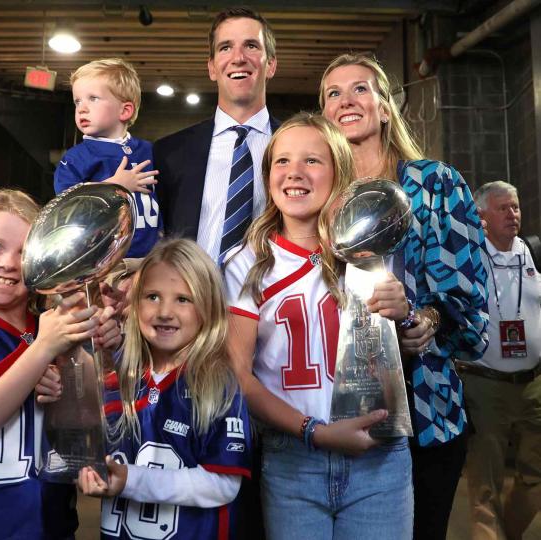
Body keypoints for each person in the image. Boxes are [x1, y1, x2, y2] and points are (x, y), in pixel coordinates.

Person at [319, 53, 489, 540]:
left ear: (386, 107)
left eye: (360, 89)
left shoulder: (435, 183)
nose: (347, 101)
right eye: (333, 93)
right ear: (323, 112)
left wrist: (424, 321)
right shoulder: (317, 191)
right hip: (331, 407)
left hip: (425, 404)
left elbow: (471, 296)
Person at [225, 112, 413, 539]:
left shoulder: (370, 247)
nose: (295, 173)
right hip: (294, 456)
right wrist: (316, 432)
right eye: (282, 161)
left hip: (377, 454)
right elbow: (238, 375)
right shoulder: (247, 264)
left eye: (312, 160)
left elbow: (396, 353)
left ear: (339, 171)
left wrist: (405, 314)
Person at [0, 189, 119, 539]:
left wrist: (98, 349)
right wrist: (41, 351)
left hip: (53, 523)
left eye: (25, 252)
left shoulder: (54, 325)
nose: (9, 262)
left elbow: (91, 424)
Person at [76, 239, 251, 540]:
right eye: (153, 296)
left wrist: (131, 480)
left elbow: (223, 485)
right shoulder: (117, 374)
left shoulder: (217, 385)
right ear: (133, 304)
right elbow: (82, 445)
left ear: (208, 307)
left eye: (183, 299)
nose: (165, 311)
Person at [153, 7, 279, 263]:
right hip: (192, 298)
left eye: (251, 46)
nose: (238, 58)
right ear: (212, 68)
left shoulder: (298, 146)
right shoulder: (167, 152)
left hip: (274, 299)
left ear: (271, 65)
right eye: (225, 48)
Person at [457, 181, 541, 540]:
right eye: (503, 208)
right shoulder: (468, 259)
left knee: (536, 478)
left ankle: (506, 531)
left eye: (516, 207)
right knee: (485, 485)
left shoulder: (535, 252)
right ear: (481, 216)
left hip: (533, 384)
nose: (513, 214)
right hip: (484, 384)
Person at [54, 58, 162, 259]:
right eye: (77, 101)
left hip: (152, 258)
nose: (82, 108)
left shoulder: (149, 150)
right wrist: (114, 186)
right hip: (106, 262)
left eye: (93, 98)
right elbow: (64, 208)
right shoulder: (76, 158)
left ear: (124, 110)